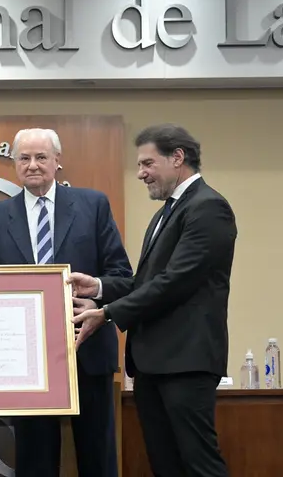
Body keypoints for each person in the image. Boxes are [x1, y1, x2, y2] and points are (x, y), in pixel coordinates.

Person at [69, 123, 236, 477]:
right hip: (153, 366)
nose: (141, 174)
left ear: (178, 158)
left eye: (147, 164)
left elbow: (175, 282)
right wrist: (98, 287)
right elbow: (147, 282)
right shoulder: (167, 212)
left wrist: (108, 313)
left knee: (198, 464)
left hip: (185, 365)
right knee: (166, 465)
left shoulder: (208, 208)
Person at [0, 128, 132, 477]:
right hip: (24, 363)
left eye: (41, 157)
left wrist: (98, 301)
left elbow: (122, 275)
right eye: (24, 158)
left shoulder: (93, 205)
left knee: (98, 460)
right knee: (34, 463)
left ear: (57, 161)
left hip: (87, 350)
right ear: (15, 164)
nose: (33, 165)